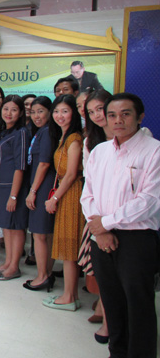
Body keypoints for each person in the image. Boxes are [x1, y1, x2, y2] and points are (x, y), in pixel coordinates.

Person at [81, 92, 159, 358]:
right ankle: (118, 352)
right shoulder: (100, 151)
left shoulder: (154, 150)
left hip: (137, 238)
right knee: (112, 302)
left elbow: (150, 200)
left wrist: (106, 224)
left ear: (140, 117)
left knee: (138, 305)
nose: (118, 120)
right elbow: (87, 194)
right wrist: (99, 229)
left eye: (126, 114)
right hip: (100, 237)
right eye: (112, 114)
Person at [42, 94, 84, 310]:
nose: (59, 115)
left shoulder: (74, 138)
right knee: (68, 246)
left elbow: (70, 174)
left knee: (69, 246)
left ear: (74, 113)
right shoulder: (63, 136)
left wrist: (54, 198)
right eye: (57, 111)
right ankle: (71, 295)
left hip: (71, 193)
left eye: (65, 111)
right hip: (65, 192)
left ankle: (69, 297)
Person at [79, 88, 113, 343]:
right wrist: (96, 221)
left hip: (120, 214)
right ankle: (103, 306)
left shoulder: (141, 139)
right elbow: (88, 183)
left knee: (118, 269)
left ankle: (110, 315)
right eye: (90, 112)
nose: (96, 115)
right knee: (101, 266)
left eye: (99, 109)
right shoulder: (91, 139)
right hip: (95, 212)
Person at [0, 95, 30, 281]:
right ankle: (8, 262)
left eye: (13, 109)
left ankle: (14, 267)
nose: (8, 113)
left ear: (20, 112)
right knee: (6, 225)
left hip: (13, 188)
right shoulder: (4, 132)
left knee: (15, 226)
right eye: (6, 109)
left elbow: (20, 166)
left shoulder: (21, 133)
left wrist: (13, 196)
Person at [23, 96, 56, 291]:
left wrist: (33, 191)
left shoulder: (47, 133)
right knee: (44, 234)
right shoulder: (41, 132)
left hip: (42, 187)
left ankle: (42, 276)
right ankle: (47, 273)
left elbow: (44, 163)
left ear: (50, 112)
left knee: (40, 234)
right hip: (40, 185)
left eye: (41, 111)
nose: (36, 116)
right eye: (33, 112)